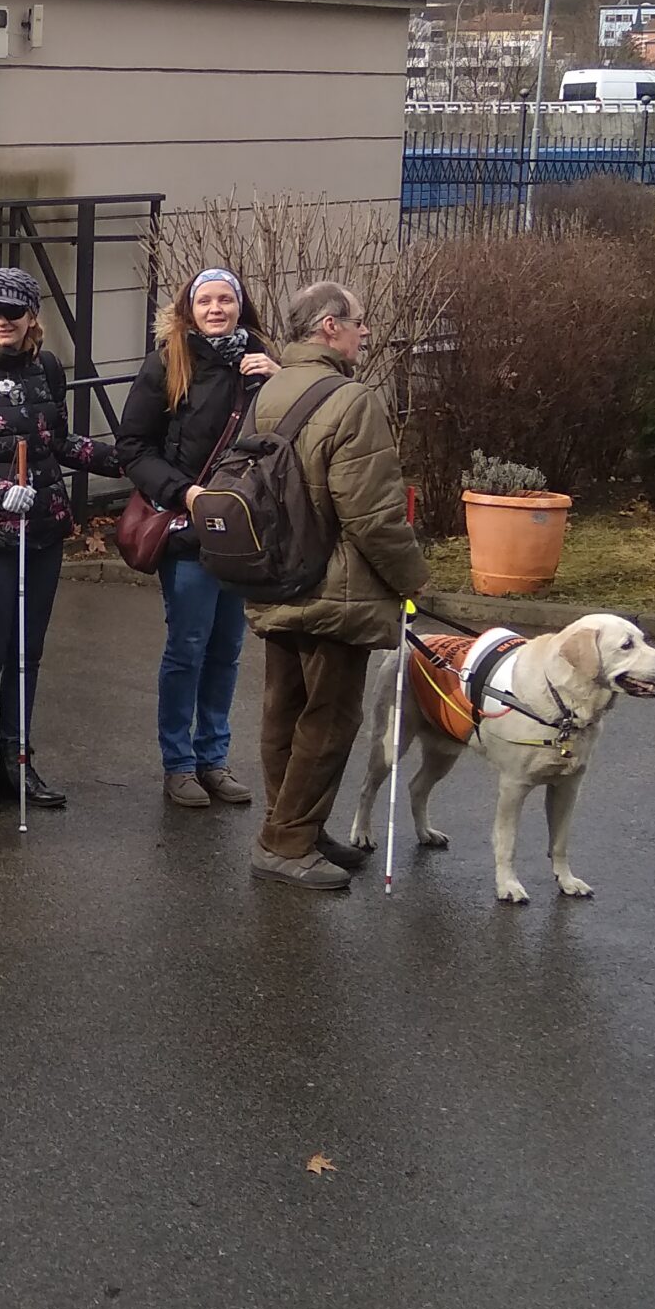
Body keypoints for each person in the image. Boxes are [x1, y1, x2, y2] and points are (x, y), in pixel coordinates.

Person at [243, 281, 426, 891]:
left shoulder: (271, 389)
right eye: (358, 321)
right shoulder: (353, 400)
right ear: (329, 326)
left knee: (285, 710)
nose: (365, 331)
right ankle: (286, 842)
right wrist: (413, 582)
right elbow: (373, 516)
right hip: (335, 588)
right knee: (329, 719)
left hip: (277, 574)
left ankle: (295, 826)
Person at [0, 266, 119, 812]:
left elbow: (60, 442)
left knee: (28, 652)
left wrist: (127, 460)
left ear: (32, 316)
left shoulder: (48, 368)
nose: (2, 320)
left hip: (44, 531)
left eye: (13, 310)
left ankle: (19, 760)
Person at [119, 268, 282, 809]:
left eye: (225, 299)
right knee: (187, 647)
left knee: (227, 649)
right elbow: (133, 447)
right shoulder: (168, 362)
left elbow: (291, 437)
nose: (216, 309)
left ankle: (214, 758)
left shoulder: (260, 361)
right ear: (189, 309)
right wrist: (184, 493)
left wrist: (280, 380)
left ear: (240, 305)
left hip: (245, 531)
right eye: (205, 300)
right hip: (189, 528)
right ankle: (179, 764)